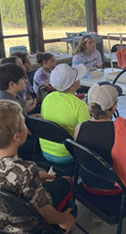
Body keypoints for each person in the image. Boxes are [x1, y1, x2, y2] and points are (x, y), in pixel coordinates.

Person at [74, 82, 126, 223]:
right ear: (115, 107)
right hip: (112, 189)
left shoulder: (79, 127)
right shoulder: (119, 129)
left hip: (87, 184)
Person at [0, 100, 75, 233]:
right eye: (23, 123)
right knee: (67, 181)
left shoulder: (23, 172)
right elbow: (46, 213)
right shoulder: (25, 171)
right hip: (28, 228)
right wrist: (64, 220)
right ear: (17, 136)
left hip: (4, 224)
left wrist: (35, 177)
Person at [40, 63, 90, 164]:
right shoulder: (80, 105)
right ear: (72, 85)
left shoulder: (47, 98)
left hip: (45, 151)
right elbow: (86, 135)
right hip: (67, 154)